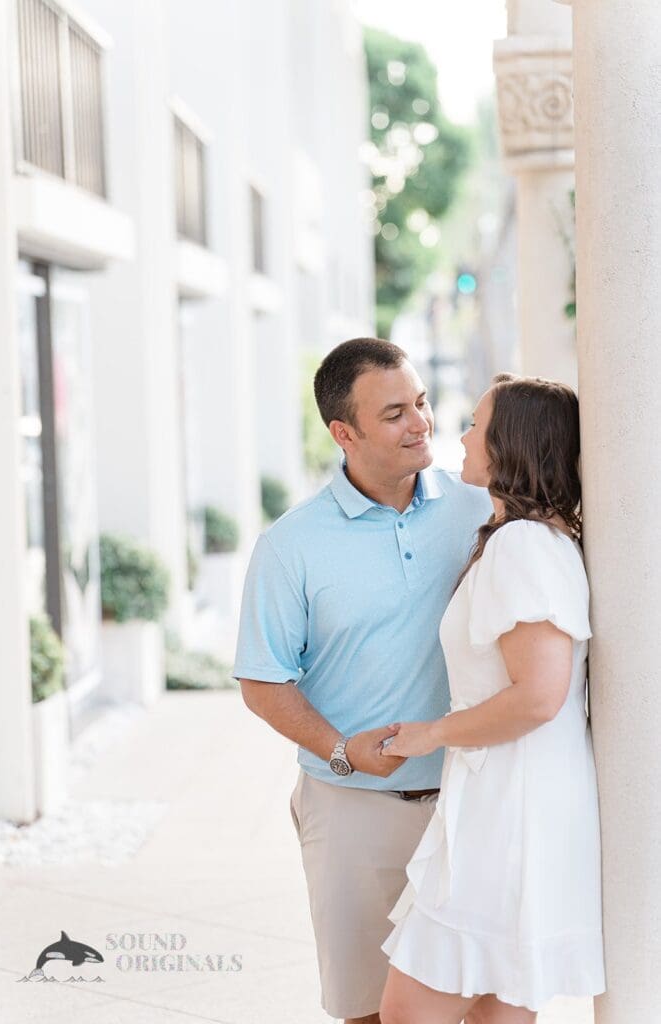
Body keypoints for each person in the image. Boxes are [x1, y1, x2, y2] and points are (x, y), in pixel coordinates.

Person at [233, 337, 491, 1024]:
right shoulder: (290, 545)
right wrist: (343, 749)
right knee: (369, 1010)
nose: (421, 423)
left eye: (421, 403)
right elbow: (262, 681)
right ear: (343, 433)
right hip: (354, 809)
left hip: (474, 801)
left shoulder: (479, 509)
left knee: (485, 1004)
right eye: (394, 414)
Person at [378, 373, 606, 1024]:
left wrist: (429, 734)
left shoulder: (523, 545)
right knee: (493, 1013)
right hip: (512, 801)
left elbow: (538, 697)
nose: (462, 436)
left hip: (510, 811)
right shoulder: (532, 539)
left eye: (476, 425)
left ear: (512, 444)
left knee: (408, 1012)